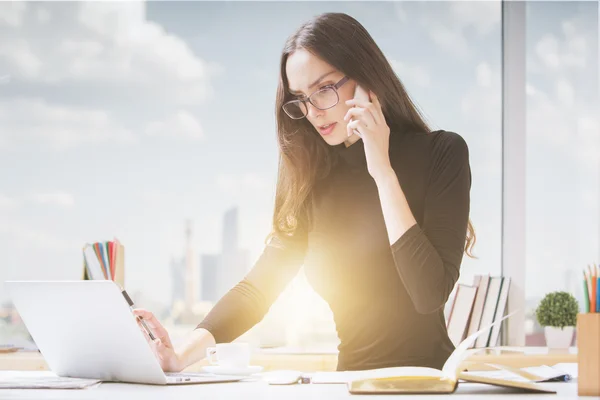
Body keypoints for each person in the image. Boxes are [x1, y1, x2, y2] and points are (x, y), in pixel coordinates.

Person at [134, 11, 475, 373]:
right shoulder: (312, 178)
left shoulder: (443, 153)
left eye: (324, 89)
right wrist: (180, 356)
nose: (313, 112)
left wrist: (382, 171)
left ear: (366, 80)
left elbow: (428, 294)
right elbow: (257, 290)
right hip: (350, 386)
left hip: (429, 384)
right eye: (301, 98)